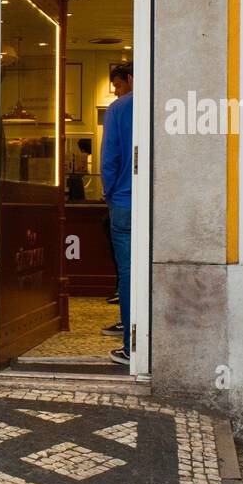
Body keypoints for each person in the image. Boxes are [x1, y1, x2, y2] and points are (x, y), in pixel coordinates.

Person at [101, 62, 133, 366]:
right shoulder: (159, 103)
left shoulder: (118, 110)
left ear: (130, 79)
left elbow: (109, 158)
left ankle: (130, 346)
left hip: (123, 203)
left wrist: (108, 194)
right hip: (152, 203)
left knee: (127, 274)